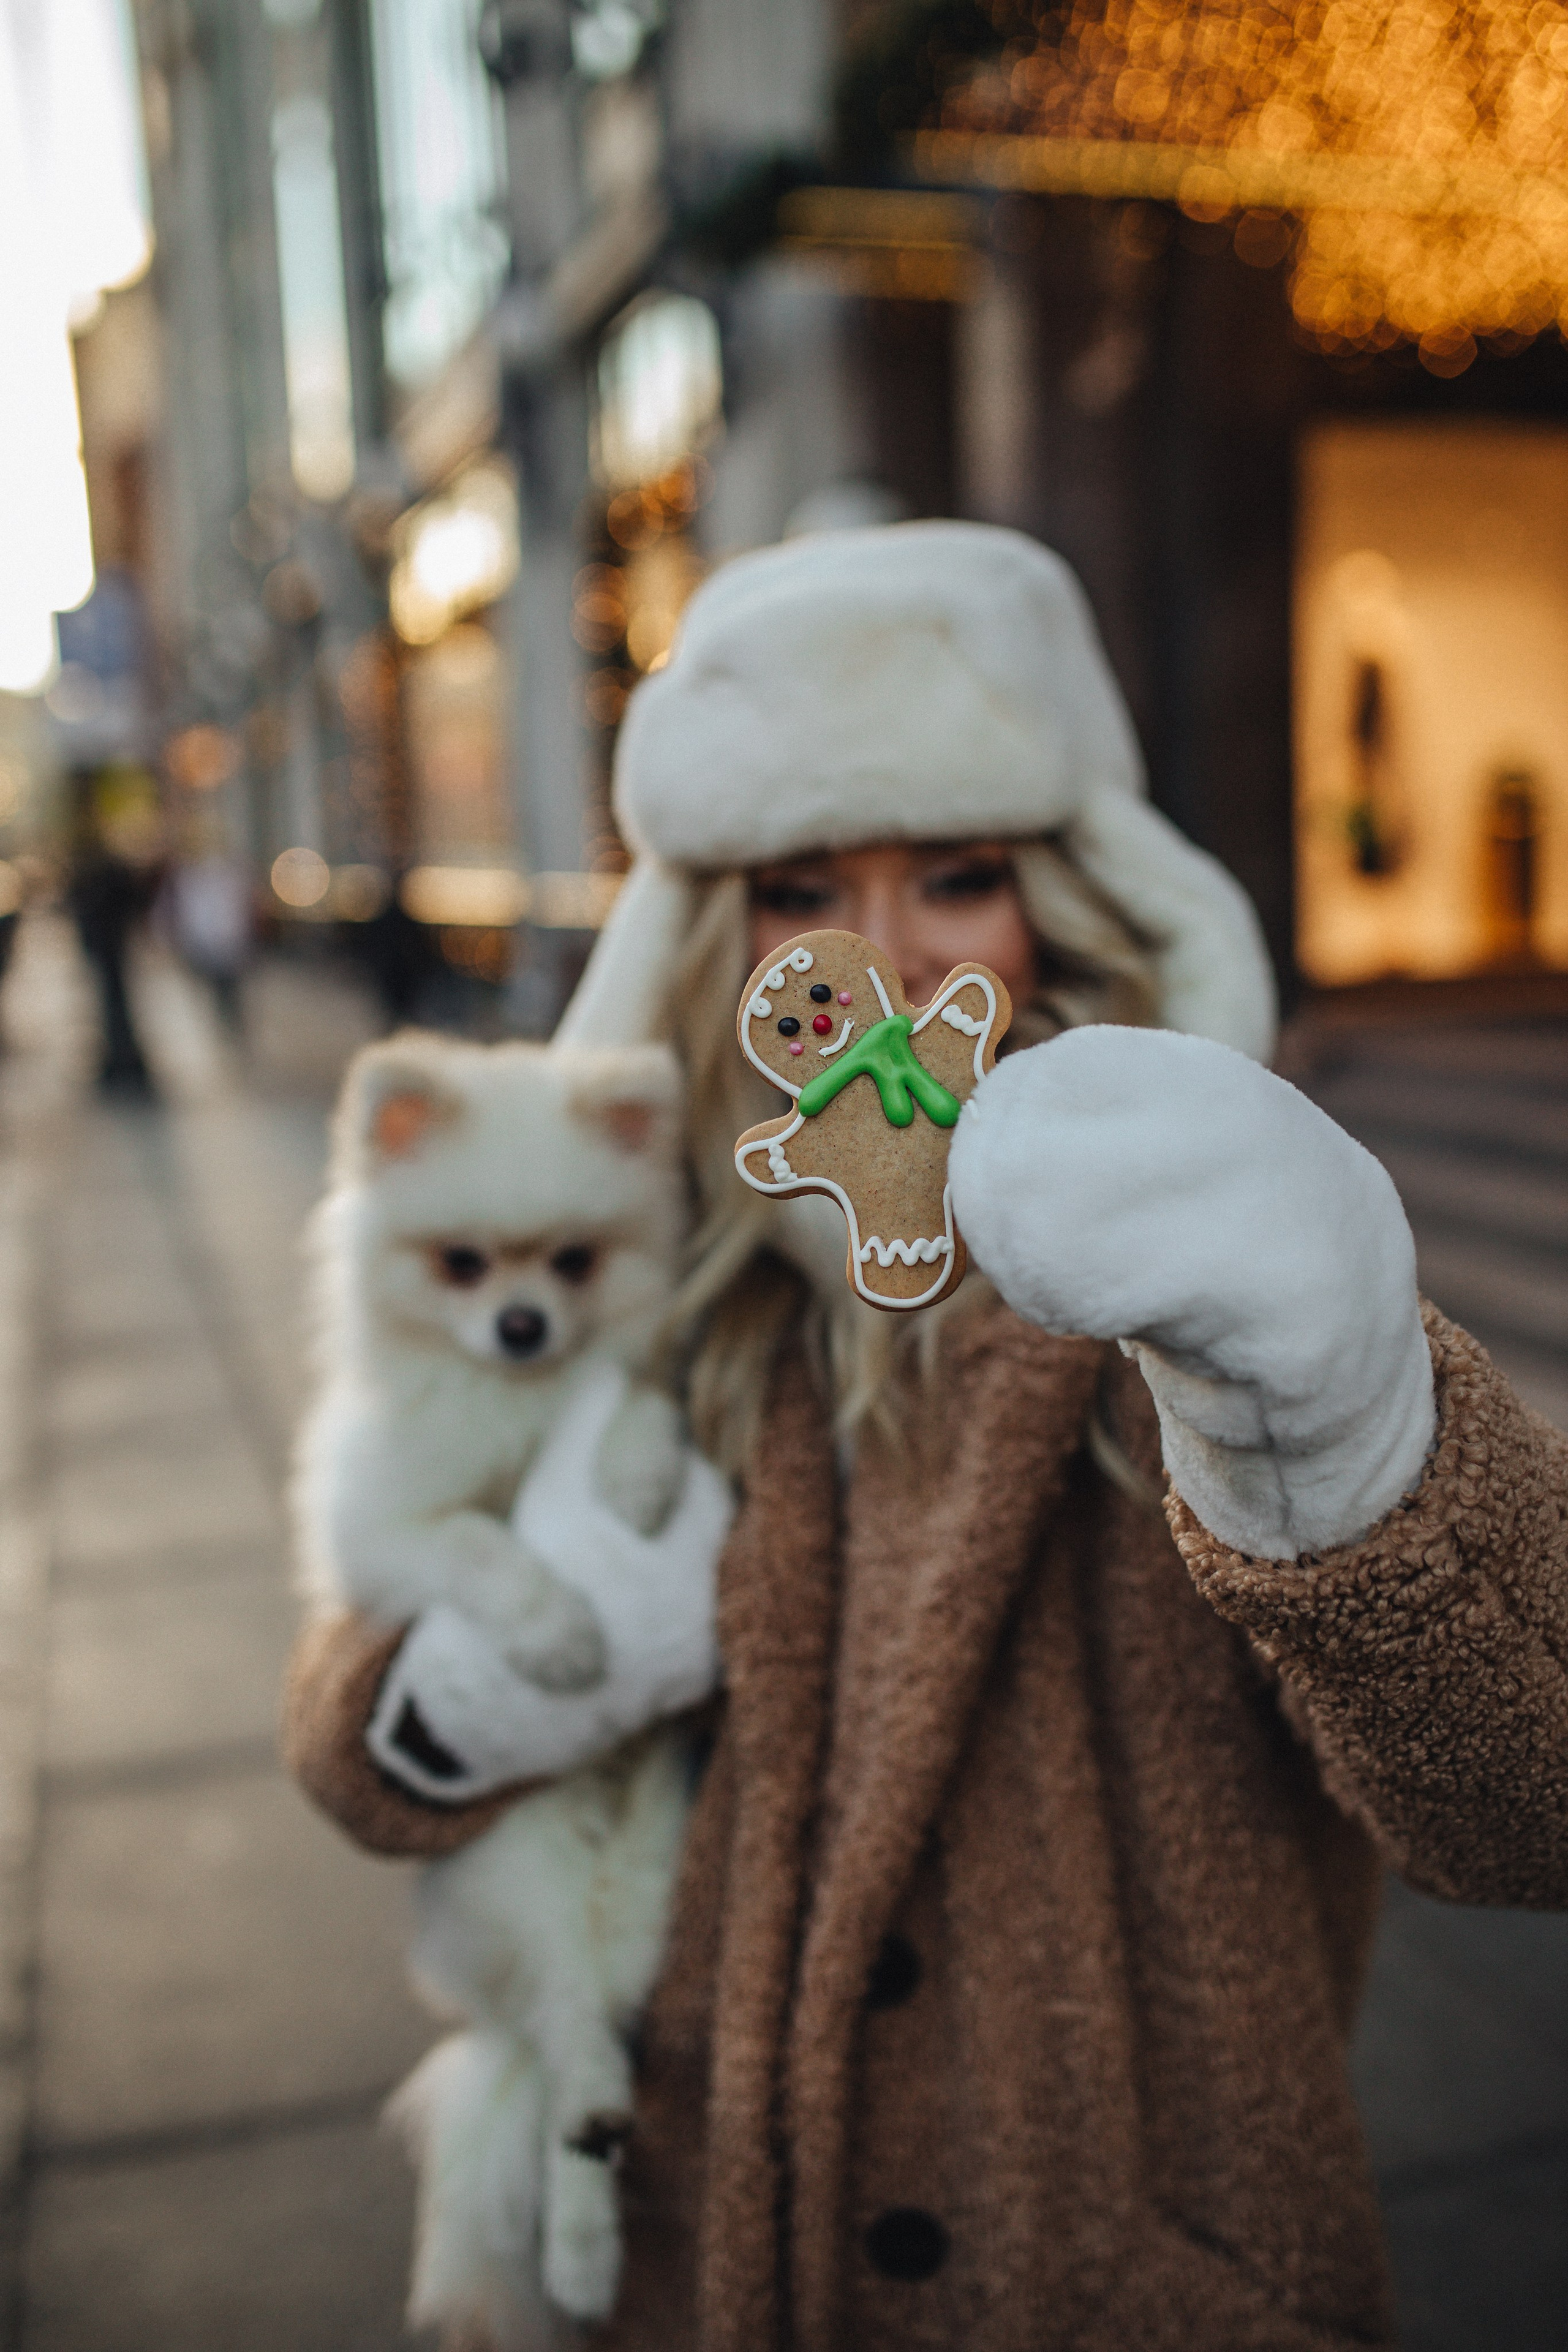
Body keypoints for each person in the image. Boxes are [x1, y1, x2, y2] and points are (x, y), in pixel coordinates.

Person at [284, 524, 1567, 2352]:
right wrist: (464, 1692)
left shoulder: (1207, 1279)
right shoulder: (629, 1283)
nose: (879, 959)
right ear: (716, 932)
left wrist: (1352, 1435)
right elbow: (351, 1739)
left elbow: (1529, 1798)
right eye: (804, 889)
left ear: (1067, 903)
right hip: (689, 2249)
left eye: (958, 875)